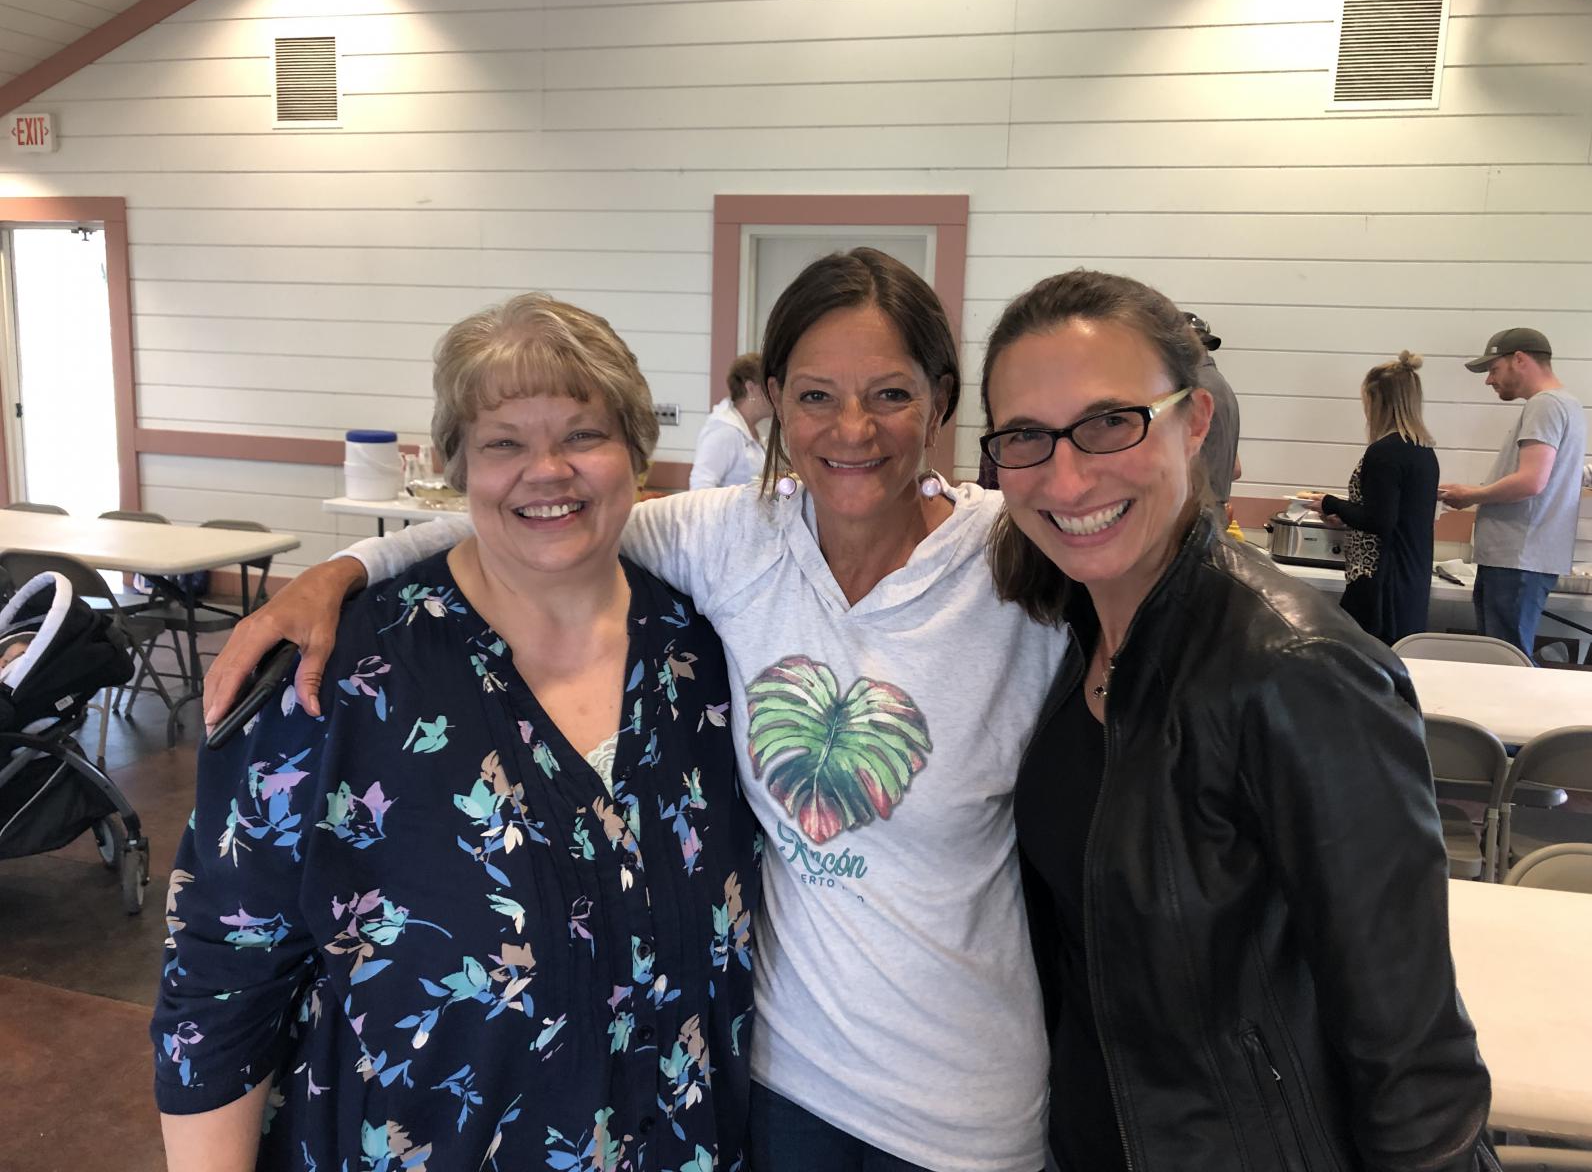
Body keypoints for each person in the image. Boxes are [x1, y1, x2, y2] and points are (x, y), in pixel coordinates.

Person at [203, 249, 1068, 1172]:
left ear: (941, 398)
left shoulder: (1020, 565)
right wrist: (346, 570)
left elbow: (569, 502)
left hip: (957, 1101)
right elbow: (541, 514)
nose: (852, 428)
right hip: (781, 1085)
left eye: (890, 394)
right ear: (774, 397)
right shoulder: (735, 537)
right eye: (816, 395)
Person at [153, 294, 760, 1170]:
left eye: (583, 435)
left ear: (636, 455)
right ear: (456, 467)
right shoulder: (339, 677)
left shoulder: (702, 656)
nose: (546, 471)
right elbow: (220, 977)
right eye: (503, 443)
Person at [980, 270, 1498, 1171]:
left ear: (1195, 421)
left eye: (1110, 422)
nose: (1066, 476)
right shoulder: (1074, 635)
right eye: (1026, 436)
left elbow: (1415, 1064)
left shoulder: (1296, 672)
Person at [1440, 328, 1588, 657]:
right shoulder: (1567, 405)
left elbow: (1531, 481)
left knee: (1505, 663)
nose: (1489, 381)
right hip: (1524, 558)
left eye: (1493, 369)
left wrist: (1471, 494)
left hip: (1518, 558)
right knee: (1506, 658)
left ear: (1519, 359)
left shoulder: (1545, 405)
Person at [1319, 351, 1441, 644]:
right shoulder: (1424, 451)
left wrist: (1330, 503)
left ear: (1378, 401)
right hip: (1412, 577)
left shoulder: (1384, 452)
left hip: (1379, 579)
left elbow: (1378, 520)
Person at [1183, 311, 1241, 505]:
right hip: (1214, 509)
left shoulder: (1194, 389)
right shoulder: (1221, 385)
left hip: (1195, 509)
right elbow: (1235, 469)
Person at [689, 351, 771, 489]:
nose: (775, 395)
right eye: (769, 387)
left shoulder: (752, 429)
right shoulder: (725, 431)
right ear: (751, 388)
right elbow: (700, 486)